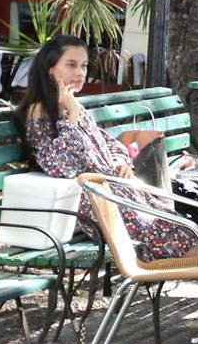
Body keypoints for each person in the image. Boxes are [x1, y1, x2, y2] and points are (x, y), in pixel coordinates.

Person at [18, 35, 185, 259]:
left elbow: (109, 143)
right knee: (173, 233)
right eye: (71, 64)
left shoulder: (72, 105)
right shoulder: (39, 111)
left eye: (84, 66)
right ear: (49, 68)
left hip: (119, 192)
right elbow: (59, 166)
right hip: (99, 204)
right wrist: (72, 116)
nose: (80, 72)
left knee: (181, 227)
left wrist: (120, 161)